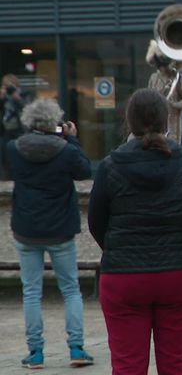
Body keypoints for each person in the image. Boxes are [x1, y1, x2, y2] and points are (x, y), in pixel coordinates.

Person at [88, 89, 182, 375]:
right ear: (167, 122)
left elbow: (96, 221)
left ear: (129, 122)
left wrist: (118, 248)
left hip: (124, 275)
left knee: (127, 365)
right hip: (180, 273)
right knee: (178, 363)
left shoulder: (111, 164)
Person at [7, 99, 94, 369]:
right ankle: (77, 349)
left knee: (31, 291)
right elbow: (85, 172)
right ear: (54, 123)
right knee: (70, 289)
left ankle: (35, 353)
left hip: (27, 229)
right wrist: (73, 140)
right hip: (60, 230)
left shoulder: (13, 149)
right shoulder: (66, 151)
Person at [146, 40, 182, 143]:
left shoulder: (179, 78)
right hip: (156, 122)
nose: (162, 70)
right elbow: (147, 98)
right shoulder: (153, 78)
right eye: (160, 67)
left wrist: (174, 104)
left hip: (173, 125)